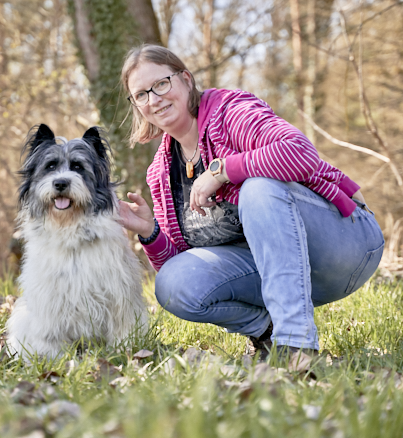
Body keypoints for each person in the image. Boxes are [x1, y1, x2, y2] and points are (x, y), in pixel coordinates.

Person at [117, 44, 385, 359]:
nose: (155, 99)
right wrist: (150, 232)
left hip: (344, 246)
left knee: (258, 189)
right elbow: (186, 269)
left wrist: (222, 171)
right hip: (275, 273)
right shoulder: (160, 174)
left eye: (161, 84)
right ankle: (267, 331)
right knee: (172, 284)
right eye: (142, 94)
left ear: (186, 80)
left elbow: (300, 153)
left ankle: (296, 344)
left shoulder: (229, 111)